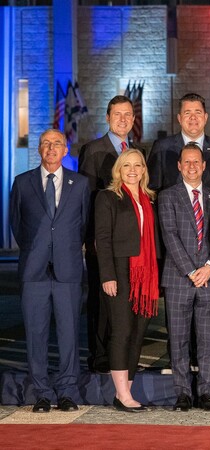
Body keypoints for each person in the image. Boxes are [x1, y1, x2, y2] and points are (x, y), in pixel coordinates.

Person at [10, 129, 89, 413]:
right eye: (46, 144)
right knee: (36, 334)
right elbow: (18, 225)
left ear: (65, 150)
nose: (51, 148)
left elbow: (83, 226)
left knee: (69, 335)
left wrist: (62, 250)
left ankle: (67, 392)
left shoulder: (79, 184)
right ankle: (41, 393)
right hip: (34, 272)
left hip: (67, 272)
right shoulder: (22, 183)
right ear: (39, 150)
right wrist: (38, 251)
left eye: (57, 144)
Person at [94, 149, 160, 413]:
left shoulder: (150, 199)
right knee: (121, 332)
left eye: (138, 165)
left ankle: (127, 391)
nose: (132, 170)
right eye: (126, 165)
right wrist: (108, 275)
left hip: (146, 275)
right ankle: (121, 394)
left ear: (144, 169)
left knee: (137, 333)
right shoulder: (108, 197)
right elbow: (103, 239)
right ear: (118, 170)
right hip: (121, 271)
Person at [158, 143, 210, 412]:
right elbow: (169, 236)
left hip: (208, 278)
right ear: (180, 166)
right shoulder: (167, 196)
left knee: (208, 341)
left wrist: (209, 266)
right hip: (179, 279)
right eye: (187, 162)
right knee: (179, 340)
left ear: (204, 166)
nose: (193, 166)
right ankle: (183, 392)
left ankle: (207, 392)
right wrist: (191, 271)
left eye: (197, 162)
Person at [78, 95, 134, 374]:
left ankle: (119, 355)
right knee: (101, 300)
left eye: (128, 115)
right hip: (102, 241)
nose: (123, 119)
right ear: (108, 118)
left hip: (128, 244)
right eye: (117, 115)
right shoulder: (93, 150)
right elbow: (86, 200)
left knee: (123, 300)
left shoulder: (137, 152)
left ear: (134, 120)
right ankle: (99, 357)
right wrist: (91, 241)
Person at [148, 92, 210, 192]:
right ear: (179, 118)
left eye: (198, 112)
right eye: (187, 113)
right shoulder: (162, 147)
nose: (193, 117)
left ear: (205, 117)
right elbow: (152, 189)